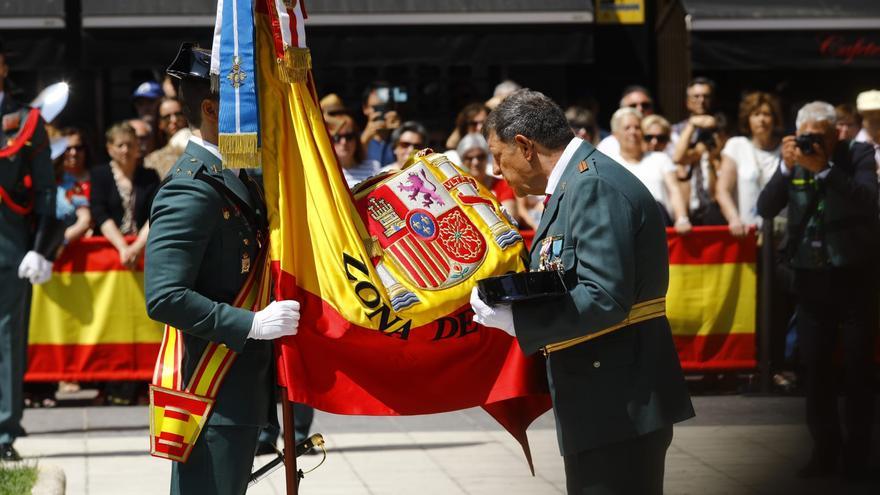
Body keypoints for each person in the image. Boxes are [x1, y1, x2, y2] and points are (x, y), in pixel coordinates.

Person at [470, 89, 693, 494]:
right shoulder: (578, 183)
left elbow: (603, 296)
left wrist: (519, 320)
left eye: (498, 155)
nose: (497, 170)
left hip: (618, 402)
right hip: (603, 400)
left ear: (525, 146)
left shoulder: (593, 186)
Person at [145, 43, 300, 494]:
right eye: (247, 103)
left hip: (240, 386)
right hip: (213, 389)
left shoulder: (236, 174)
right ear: (212, 108)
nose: (256, 113)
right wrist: (250, 323)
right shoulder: (190, 190)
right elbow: (164, 296)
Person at [757, 101, 879, 481]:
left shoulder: (856, 154)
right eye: (807, 137)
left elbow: (868, 200)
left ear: (835, 133)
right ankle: (825, 453)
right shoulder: (791, 158)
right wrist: (785, 166)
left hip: (855, 277)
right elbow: (765, 206)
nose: (814, 143)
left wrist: (824, 169)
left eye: (821, 137)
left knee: (859, 372)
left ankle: (858, 458)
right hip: (811, 281)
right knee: (816, 372)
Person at [0, 51, 61, 460]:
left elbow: (45, 190)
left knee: (6, 338)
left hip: (8, 241)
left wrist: (41, 249)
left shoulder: (25, 120)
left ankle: (4, 430)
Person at [608, 107, 690, 232]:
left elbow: (674, 190)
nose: (633, 132)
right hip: (625, 228)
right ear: (615, 135)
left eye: (637, 127)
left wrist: (682, 218)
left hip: (660, 224)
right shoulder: (609, 164)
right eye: (627, 128)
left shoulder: (660, 158)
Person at [90, 122, 159, 268]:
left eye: (130, 144)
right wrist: (123, 247)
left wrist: (137, 247)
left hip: (143, 253)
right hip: (109, 255)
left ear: (137, 147)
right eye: (120, 145)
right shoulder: (99, 175)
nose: (125, 150)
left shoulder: (150, 176)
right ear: (109, 148)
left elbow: (156, 212)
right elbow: (100, 213)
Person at [716, 91, 783, 236]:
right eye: (756, 114)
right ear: (748, 119)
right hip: (747, 234)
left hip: (781, 234)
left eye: (767, 114)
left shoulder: (786, 149)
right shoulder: (736, 146)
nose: (762, 120)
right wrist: (733, 219)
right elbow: (722, 190)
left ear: (774, 119)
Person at [671, 112, 730, 226]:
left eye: (719, 133)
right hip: (696, 212)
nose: (716, 138)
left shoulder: (729, 157)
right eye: (712, 134)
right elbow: (677, 158)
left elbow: (714, 194)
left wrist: (711, 163)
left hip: (719, 214)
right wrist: (692, 125)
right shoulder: (701, 152)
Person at [456, 132, 516, 216]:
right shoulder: (456, 189)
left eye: (480, 157)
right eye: (469, 158)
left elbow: (511, 218)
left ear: (487, 157)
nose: (475, 162)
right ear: (462, 160)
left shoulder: (503, 185)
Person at [55, 127, 92, 244]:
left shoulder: (97, 179)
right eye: (68, 148)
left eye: (78, 148)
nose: (73, 153)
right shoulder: (52, 182)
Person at [597, 85, 655, 156]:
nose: (640, 109)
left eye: (645, 105)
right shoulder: (607, 146)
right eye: (633, 106)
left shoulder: (670, 138)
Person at [328, 114, 382, 187]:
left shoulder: (374, 166)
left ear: (356, 139)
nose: (344, 142)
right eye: (337, 137)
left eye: (349, 137)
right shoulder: (324, 172)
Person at [360, 83, 401, 166]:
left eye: (386, 107)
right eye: (376, 108)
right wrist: (365, 139)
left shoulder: (401, 139)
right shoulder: (350, 140)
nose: (381, 112)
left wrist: (400, 132)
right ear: (365, 108)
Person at [670, 77, 715, 150]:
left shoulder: (722, 128)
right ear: (687, 101)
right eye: (696, 96)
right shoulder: (675, 130)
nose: (701, 100)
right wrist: (692, 124)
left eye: (706, 96)